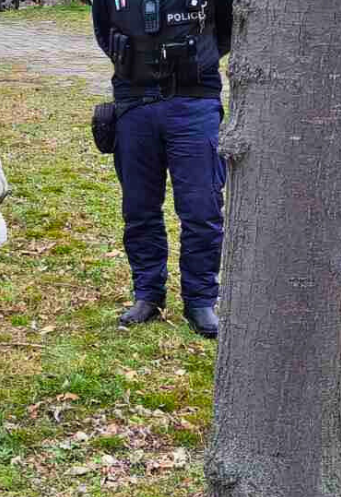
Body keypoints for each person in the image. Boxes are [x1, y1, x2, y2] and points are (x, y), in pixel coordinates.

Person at [91, 0, 233, 338]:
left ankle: (200, 299)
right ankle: (148, 295)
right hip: (135, 102)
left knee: (202, 209)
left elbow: (225, 32)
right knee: (139, 209)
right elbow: (103, 31)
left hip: (194, 102)